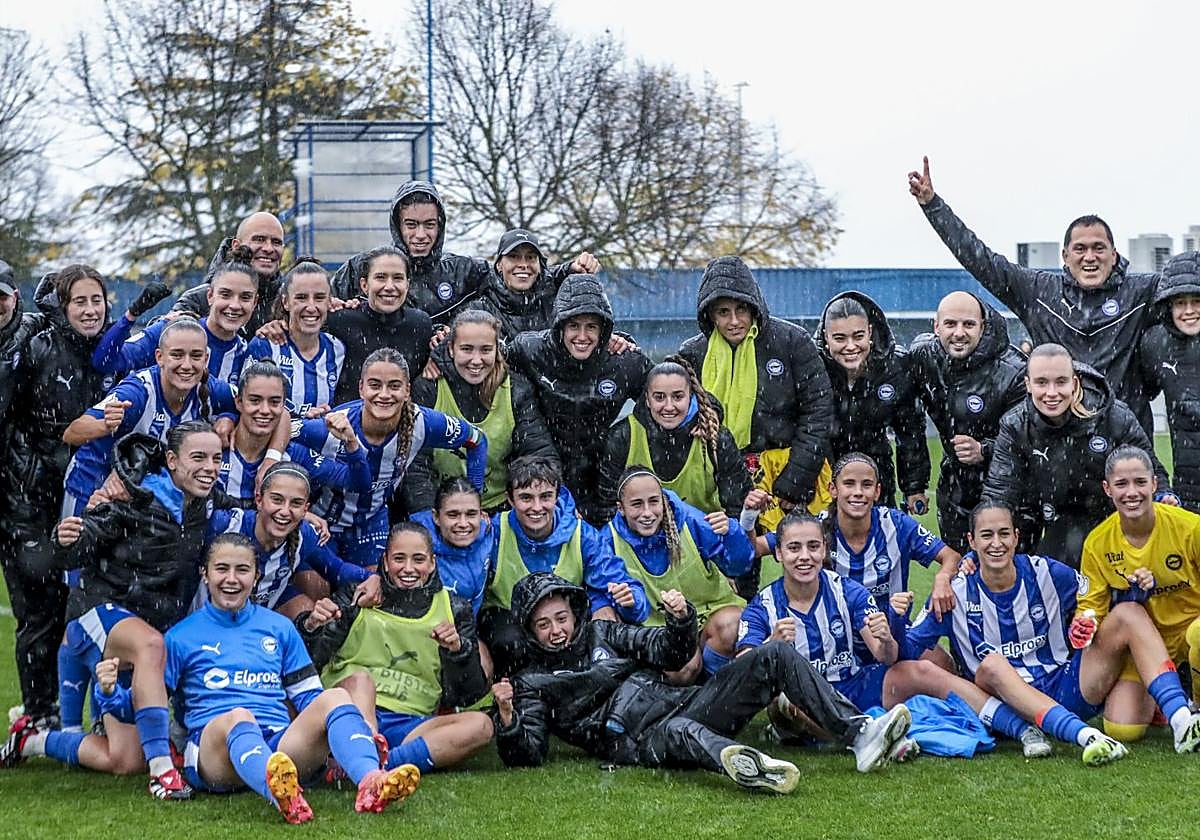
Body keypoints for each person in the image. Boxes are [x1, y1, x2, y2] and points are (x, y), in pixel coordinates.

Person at [493, 572, 913, 790]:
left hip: (688, 701)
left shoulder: (604, 633)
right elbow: (526, 755)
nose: (557, 631)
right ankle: (748, 763)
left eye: (561, 618)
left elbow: (669, 651)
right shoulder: (531, 681)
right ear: (530, 630)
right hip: (641, 743)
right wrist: (510, 717)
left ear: (574, 612)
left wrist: (680, 620)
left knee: (775, 654)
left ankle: (860, 733)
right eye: (544, 625)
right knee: (681, 732)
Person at [3, 423, 234, 799]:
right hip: (98, 612)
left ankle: (34, 740)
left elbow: (247, 512)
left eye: (216, 458)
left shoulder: (206, 504)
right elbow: (84, 540)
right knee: (152, 646)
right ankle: (162, 772)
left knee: (124, 760)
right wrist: (67, 540)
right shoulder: (133, 499)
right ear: (172, 461)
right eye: (198, 458)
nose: (209, 467)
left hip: (141, 634)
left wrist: (304, 519)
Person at [740, 513, 1061, 761]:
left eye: (813, 547)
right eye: (794, 548)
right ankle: (863, 735)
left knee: (921, 668)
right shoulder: (763, 606)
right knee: (783, 702)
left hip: (852, 685)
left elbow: (885, 656)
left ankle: (1021, 730)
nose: (804, 557)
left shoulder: (846, 590)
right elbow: (739, 672)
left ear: (824, 550)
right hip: (808, 699)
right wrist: (770, 645)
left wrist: (887, 635)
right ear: (779, 554)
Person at [906, 499, 1200, 761]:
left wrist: (1136, 590)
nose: (997, 543)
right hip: (1007, 710)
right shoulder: (951, 593)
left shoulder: (1045, 571)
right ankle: (1086, 736)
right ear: (971, 541)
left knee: (1128, 613)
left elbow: (1100, 600)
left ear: (1016, 537)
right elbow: (908, 650)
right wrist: (894, 620)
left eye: (1004, 534)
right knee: (993, 665)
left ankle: (1181, 719)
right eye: (987, 535)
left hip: (1066, 688)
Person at [168, 534, 418, 822]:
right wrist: (109, 694)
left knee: (335, 697)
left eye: (242, 570)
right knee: (238, 716)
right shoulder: (180, 636)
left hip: (279, 745)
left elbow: (308, 696)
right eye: (222, 569)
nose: (231, 579)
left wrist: (342, 735)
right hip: (215, 754)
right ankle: (281, 795)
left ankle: (372, 780)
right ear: (205, 573)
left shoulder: (279, 628)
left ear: (257, 575)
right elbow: (151, 703)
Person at [908, 156, 1157, 433]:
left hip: (1125, 437)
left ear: (1114, 254)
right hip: (1059, 441)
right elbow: (981, 260)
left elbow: (1187, 288)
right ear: (1065, 256)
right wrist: (933, 206)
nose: (1090, 257)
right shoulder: (1040, 291)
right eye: (1080, 249)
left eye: (1099, 248)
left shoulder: (1142, 292)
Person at [0, 266, 113, 731]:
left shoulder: (113, 346)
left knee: (98, 605)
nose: (89, 310)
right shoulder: (33, 345)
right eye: (78, 302)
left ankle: (106, 713)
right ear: (62, 306)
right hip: (29, 501)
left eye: (95, 301)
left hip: (90, 498)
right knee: (38, 612)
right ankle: (41, 714)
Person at [298, 522, 492, 774]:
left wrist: (457, 650)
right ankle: (362, 754)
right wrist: (313, 625)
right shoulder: (357, 596)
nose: (408, 568)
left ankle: (382, 763)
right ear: (386, 562)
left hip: (409, 722)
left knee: (481, 725)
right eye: (399, 559)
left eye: (418, 559)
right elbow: (312, 660)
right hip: (351, 710)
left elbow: (467, 695)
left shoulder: (454, 608)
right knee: (360, 681)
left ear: (432, 562)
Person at [678, 256, 833, 536]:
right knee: (736, 563)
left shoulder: (792, 341)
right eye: (723, 312)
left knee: (806, 558)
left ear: (755, 307)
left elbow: (818, 410)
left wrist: (795, 479)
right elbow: (671, 410)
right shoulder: (691, 354)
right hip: (723, 476)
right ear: (710, 314)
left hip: (789, 475)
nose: (734, 321)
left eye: (741, 309)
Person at [983, 343, 1174, 567]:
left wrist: (1164, 497)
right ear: (1028, 385)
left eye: (1060, 382)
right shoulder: (1015, 425)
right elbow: (1000, 491)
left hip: (1113, 523)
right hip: (1056, 526)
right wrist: (985, 536)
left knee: (1127, 601)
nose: (1051, 393)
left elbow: (1151, 470)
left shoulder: (1113, 416)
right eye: (1041, 383)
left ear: (1074, 383)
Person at [293, 348, 487, 568]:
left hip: (371, 523)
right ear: (361, 388)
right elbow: (279, 431)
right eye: (375, 385)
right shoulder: (331, 426)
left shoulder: (423, 423)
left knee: (372, 593)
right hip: (320, 521)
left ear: (407, 391)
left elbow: (477, 440)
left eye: (394, 386)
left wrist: (474, 500)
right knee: (315, 592)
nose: (384, 394)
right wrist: (299, 496)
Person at [479, 456, 650, 677]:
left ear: (557, 496)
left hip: (564, 627)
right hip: (512, 632)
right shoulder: (492, 533)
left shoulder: (582, 535)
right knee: (508, 640)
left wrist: (629, 601)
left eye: (545, 497)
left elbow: (628, 590)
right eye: (526, 498)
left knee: (605, 623)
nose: (537, 507)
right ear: (510, 499)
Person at [329, 183, 596, 325]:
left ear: (440, 226)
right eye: (411, 225)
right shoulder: (364, 266)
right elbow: (321, 303)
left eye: (429, 225)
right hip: (382, 379)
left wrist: (568, 270)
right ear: (398, 226)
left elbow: (516, 278)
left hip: (444, 378)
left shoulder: (463, 271)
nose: (421, 235)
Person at [507, 275, 652, 525]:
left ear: (604, 330)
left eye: (592, 327)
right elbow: (484, 362)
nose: (582, 336)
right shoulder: (528, 350)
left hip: (600, 475)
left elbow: (669, 389)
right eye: (574, 326)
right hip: (539, 472)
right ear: (559, 326)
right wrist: (440, 358)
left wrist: (700, 415)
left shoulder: (624, 363)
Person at [1079, 446, 1200, 741]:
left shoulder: (1190, 527)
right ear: (1108, 489)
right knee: (1123, 728)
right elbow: (1090, 607)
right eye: (1121, 484)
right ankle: (1167, 704)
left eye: (1140, 482)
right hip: (1149, 643)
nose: (1131, 492)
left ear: (1154, 484)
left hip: (1193, 629)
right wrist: (1084, 622)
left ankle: (1194, 711)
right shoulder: (1097, 543)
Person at [61, 317, 238, 512]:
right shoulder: (137, 393)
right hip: (90, 485)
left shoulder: (210, 390)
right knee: (74, 541)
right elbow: (72, 434)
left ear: (206, 359)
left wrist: (229, 417)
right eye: (177, 355)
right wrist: (105, 425)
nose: (186, 365)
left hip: (140, 495)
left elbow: (254, 403)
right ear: (159, 357)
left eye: (195, 356)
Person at [602, 467, 752, 681]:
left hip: (708, 617)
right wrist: (627, 604)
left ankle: (714, 690)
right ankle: (686, 701)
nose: (647, 513)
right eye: (637, 504)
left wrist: (733, 533)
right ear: (621, 509)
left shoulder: (689, 520)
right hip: (662, 634)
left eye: (654, 502)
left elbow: (738, 567)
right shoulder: (609, 540)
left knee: (733, 626)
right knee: (681, 666)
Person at [909, 291, 1026, 551]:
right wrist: (914, 484)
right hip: (954, 488)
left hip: (1008, 490)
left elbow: (1030, 441)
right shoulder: (922, 359)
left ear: (983, 327)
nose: (959, 333)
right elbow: (908, 420)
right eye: (950, 324)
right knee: (960, 576)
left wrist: (985, 450)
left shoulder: (1014, 371)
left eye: (969, 324)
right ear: (936, 326)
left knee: (1006, 578)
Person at [407, 309, 557, 512]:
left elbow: (539, 453)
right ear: (451, 349)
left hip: (499, 509)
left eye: (485, 350)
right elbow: (415, 464)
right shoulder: (429, 386)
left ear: (497, 350)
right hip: (441, 510)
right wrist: (429, 516)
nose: (476, 360)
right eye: (467, 349)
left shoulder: (516, 390)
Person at [206, 461, 377, 619]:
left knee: (309, 612)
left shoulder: (305, 535)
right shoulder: (224, 524)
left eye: (295, 503)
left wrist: (373, 578)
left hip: (255, 627)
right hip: (205, 623)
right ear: (259, 500)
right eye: (277, 500)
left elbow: (336, 569)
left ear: (305, 510)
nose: (285, 511)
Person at [598, 355, 752, 518]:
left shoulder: (717, 438)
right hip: (639, 538)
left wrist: (724, 528)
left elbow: (738, 509)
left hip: (704, 538)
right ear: (647, 400)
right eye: (659, 397)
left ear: (691, 397)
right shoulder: (622, 437)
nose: (669, 406)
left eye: (678, 397)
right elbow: (606, 507)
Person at [816, 291, 929, 511]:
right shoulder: (812, 365)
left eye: (858, 336)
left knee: (879, 540)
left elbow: (910, 431)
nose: (850, 346)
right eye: (840, 338)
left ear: (870, 332)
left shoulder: (896, 367)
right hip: (822, 473)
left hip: (876, 473)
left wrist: (914, 486)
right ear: (826, 336)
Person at [94, 250, 256, 386]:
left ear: (255, 302)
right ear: (210, 296)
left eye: (245, 297)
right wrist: (131, 316)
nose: (235, 305)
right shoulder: (172, 330)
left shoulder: (249, 353)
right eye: (225, 294)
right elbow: (105, 362)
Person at [218, 360, 370, 501]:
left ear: (284, 405)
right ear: (238, 402)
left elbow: (359, 484)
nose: (264, 410)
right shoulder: (214, 446)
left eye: (274, 402)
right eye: (255, 400)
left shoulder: (295, 453)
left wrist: (351, 442)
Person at [324, 246, 433, 406]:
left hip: (401, 424)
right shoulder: (340, 320)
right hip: (346, 422)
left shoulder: (420, 324)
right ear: (364, 285)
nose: (389, 286)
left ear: (407, 285)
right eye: (381, 277)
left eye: (397, 278)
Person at [243, 258, 344, 417]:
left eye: (319, 298)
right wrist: (302, 422)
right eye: (301, 297)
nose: (311, 307)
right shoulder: (265, 345)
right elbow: (246, 407)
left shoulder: (338, 348)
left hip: (320, 440)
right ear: (286, 302)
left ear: (329, 302)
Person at [1138, 251, 1200, 511]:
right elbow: (1142, 393)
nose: (1189, 311)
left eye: (1197, 301)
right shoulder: (1155, 345)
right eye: (1180, 303)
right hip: (1188, 488)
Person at [171, 212, 286, 334]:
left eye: (276, 242)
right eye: (259, 239)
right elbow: (161, 338)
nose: (268, 248)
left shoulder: (290, 301)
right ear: (236, 246)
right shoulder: (198, 299)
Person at [473, 229, 598, 341]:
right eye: (514, 256)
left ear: (539, 265)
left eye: (531, 257)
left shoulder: (557, 301)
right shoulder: (480, 308)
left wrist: (610, 340)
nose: (523, 264)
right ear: (499, 264)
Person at [411, 479, 497, 617]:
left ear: (481, 514)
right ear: (436, 517)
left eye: (471, 514)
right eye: (453, 515)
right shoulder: (414, 549)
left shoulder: (490, 533)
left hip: (470, 628)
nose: (463, 523)